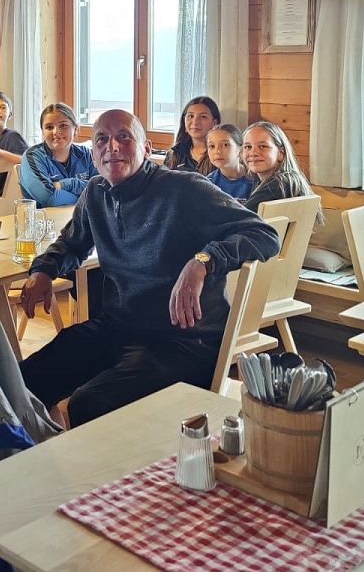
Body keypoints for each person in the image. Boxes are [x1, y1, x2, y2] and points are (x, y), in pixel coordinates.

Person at [18, 109, 281, 427]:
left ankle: (120, 459)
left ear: (146, 149)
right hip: (120, 326)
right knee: (23, 381)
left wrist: (202, 262)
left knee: (88, 404)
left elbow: (264, 234)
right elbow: (71, 244)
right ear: (93, 155)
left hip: (185, 341)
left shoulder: (184, 189)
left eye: (124, 137)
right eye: (101, 140)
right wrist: (44, 270)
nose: (112, 147)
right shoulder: (96, 193)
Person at [19, 102, 97, 207]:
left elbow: (100, 189)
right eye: (49, 127)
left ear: (75, 129)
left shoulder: (85, 154)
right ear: (42, 132)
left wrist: (68, 184)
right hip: (44, 216)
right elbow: (49, 198)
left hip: (81, 215)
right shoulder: (32, 156)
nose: (56, 131)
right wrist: (85, 197)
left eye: (63, 125)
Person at [242, 121, 321, 219]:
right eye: (247, 147)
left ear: (281, 153)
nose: (253, 152)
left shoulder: (278, 185)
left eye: (263, 146)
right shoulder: (288, 178)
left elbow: (241, 219)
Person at [164, 96, 221, 175]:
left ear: (214, 123)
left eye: (203, 117)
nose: (195, 122)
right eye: (191, 116)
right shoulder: (174, 154)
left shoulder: (220, 155)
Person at [206, 123, 254, 200]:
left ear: (240, 149)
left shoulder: (255, 178)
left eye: (225, 145)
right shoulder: (208, 183)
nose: (217, 151)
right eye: (212, 146)